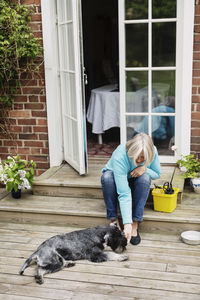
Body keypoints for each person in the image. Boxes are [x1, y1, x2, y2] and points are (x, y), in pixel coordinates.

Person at [101, 132, 161, 245]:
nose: (138, 160)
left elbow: (157, 173)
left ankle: (135, 222)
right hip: (116, 180)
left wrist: (144, 169)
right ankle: (114, 221)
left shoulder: (153, 151)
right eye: (136, 156)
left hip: (136, 180)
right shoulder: (121, 155)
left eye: (143, 158)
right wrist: (126, 223)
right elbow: (124, 193)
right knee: (107, 177)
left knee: (145, 178)